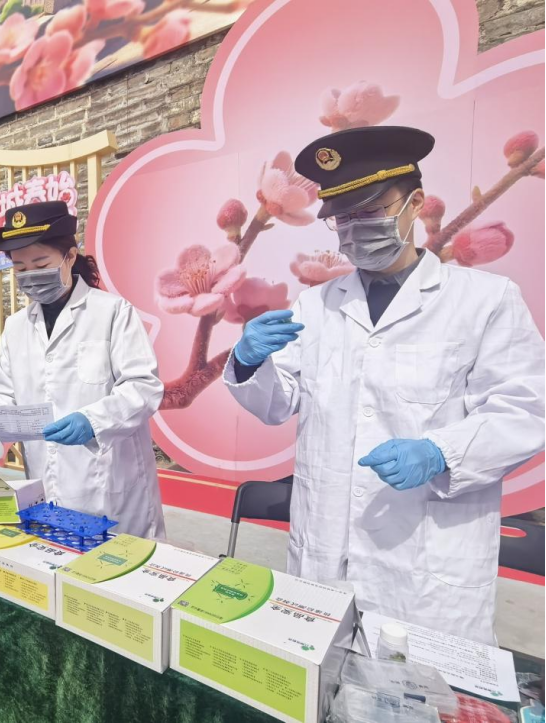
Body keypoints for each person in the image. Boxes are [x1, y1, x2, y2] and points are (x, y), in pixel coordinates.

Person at [223, 125, 545, 644]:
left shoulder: (485, 299)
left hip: (424, 563)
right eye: (342, 218)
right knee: (320, 674)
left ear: (414, 203)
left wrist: (440, 452)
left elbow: (525, 410)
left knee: (423, 682)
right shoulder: (317, 304)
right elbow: (279, 402)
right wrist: (247, 362)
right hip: (324, 552)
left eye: (369, 211)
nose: (355, 229)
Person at [0, 201, 165, 538]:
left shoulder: (112, 312)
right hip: (46, 483)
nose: (30, 275)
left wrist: (93, 421)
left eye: (40, 264)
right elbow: (2, 391)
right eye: (20, 268)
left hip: (108, 487)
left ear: (70, 256)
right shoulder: (17, 326)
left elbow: (142, 387)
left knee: (112, 563)